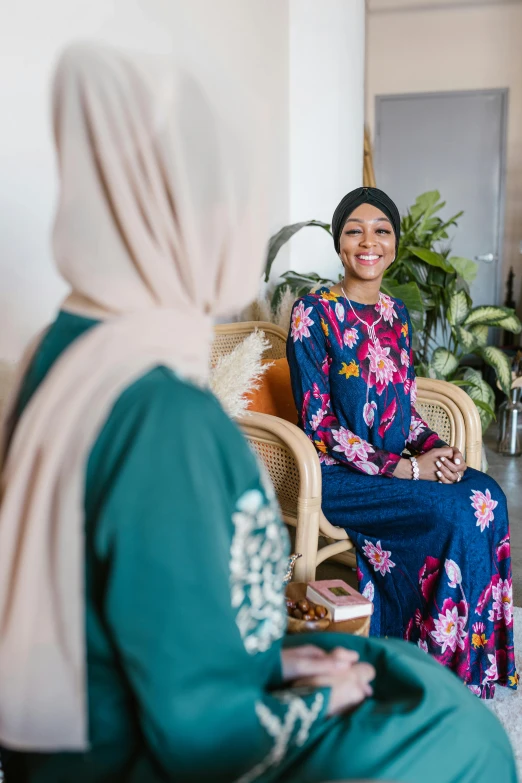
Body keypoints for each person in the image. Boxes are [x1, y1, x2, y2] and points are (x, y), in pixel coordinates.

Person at [0, 47, 516, 783]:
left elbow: (148, 618)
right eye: (225, 201)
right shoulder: (162, 414)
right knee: (468, 738)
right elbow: (199, 730)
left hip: (138, 695)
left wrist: (274, 653)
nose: (241, 230)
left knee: (418, 619)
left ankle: (463, 655)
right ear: (162, 215)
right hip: (141, 749)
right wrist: (310, 696)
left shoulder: (63, 351)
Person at [287, 186, 517, 700]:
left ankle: (476, 655)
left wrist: (437, 449)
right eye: (354, 230)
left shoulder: (396, 314)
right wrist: (408, 470)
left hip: (396, 463)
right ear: (339, 243)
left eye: (381, 231)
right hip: (338, 474)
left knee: (488, 499)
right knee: (455, 514)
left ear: (393, 243)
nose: (369, 242)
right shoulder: (313, 312)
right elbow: (319, 424)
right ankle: (439, 669)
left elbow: (407, 410)